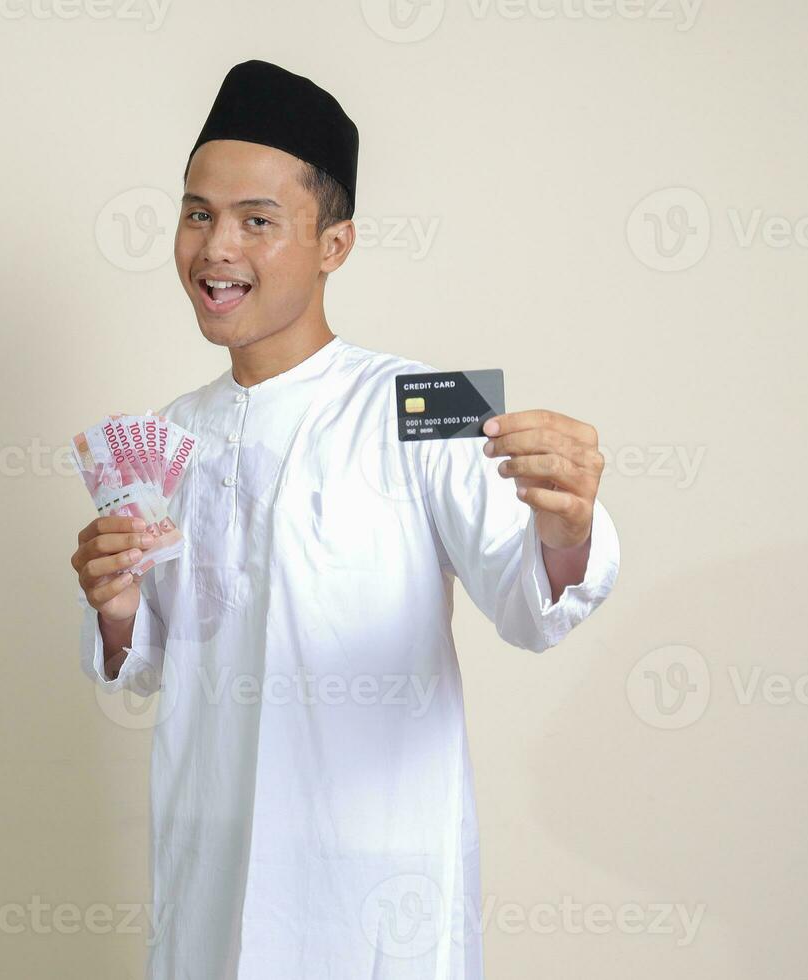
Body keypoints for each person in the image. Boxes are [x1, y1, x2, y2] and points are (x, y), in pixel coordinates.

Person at [68, 59, 620, 980]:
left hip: (372, 893)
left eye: (257, 220)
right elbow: (151, 666)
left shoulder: (421, 402)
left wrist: (566, 530)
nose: (216, 249)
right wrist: (115, 605)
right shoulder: (169, 434)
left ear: (335, 244)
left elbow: (532, 609)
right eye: (198, 213)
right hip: (211, 874)